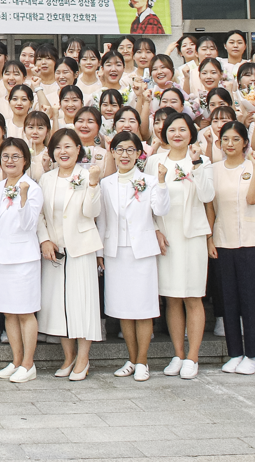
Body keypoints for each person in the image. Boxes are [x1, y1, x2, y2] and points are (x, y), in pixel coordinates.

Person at [98, 131, 170, 382]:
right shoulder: (105, 183)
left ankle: (143, 361)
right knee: (123, 308)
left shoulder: (149, 181)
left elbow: (160, 209)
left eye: (130, 150)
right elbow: (102, 220)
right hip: (116, 251)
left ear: (139, 153)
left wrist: (162, 182)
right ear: (113, 153)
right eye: (120, 149)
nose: (125, 155)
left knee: (143, 308)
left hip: (142, 252)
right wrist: (100, 252)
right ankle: (131, 359)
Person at [149, 112, 215, 380]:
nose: (177, 134)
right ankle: (177, 354)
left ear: (191, 133)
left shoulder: (202, 160)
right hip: (167, 236)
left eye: (182, 130)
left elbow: (207, 195)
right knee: (172, 297)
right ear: (164, 133)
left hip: (192, 236)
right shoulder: (154, 161)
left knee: (193, 296)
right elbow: (148, 200)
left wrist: (197, 163)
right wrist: (155, 230)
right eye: (172, 129)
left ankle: (193, 356)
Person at [36, 128, 103, 382]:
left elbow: (92, 212)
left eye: (68, 146)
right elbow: (39, 214)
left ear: (78, 149)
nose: (63, 152)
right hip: (55, 250)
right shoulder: (46, 179)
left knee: (82, 304)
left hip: (81, 248)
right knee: (59, 306)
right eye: (58, 147)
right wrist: (44, 239)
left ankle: (83, 358)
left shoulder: (87, 175)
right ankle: (69, 356)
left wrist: (93, 184)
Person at [0, 137, 43, 383]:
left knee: (25, 312)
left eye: (16, 156)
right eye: (5, 156)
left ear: (25, 160)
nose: (10, 161)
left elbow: (29, 224)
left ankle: (28, 364)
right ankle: (16, 360)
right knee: (8, 313)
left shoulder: (32, 188)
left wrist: (23, 198)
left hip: (22, 259)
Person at [208, 121, 255, 375]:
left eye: (235, 139)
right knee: (228, 299)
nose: (230, 144)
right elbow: (210, 206)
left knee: (250, 300)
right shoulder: (213, 170)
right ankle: (235, 353)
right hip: (223, 240)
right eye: (225, 139)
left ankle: (253, 355)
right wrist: (210, 238)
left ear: (245, 142)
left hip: (251, 241)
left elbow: (253, 199)